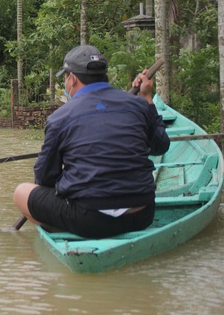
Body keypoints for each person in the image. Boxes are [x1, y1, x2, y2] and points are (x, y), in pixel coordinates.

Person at [12, 45, 171, 239]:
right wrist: (147, 97)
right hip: (142, 214)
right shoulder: (138, 104)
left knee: (21, 192)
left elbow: (45, 178)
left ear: (72, 79)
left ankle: (68, 230)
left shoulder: (60, 117)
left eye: (65, 78)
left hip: (89, 221)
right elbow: (161, 146)